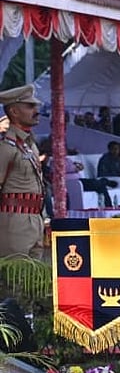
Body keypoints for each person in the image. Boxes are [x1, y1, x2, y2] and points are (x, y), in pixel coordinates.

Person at [0, 86, 46, 259]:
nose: (36, 111)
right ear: (14, 111)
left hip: (35, 218)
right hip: (13, 220)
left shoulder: (29, 144)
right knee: (15, 277)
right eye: (30, 106)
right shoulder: (6, 145)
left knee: (33, 278)